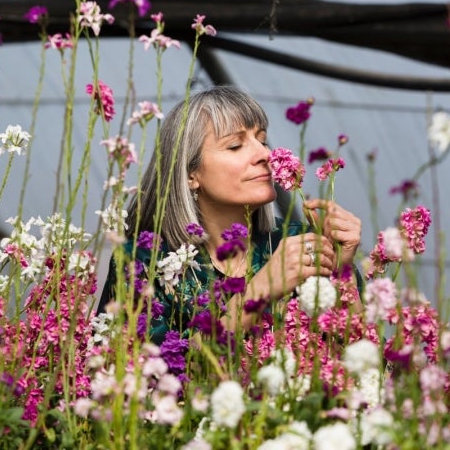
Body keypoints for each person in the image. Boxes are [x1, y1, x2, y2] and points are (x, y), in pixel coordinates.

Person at [99, 86, 362, 344]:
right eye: (235, 145)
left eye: (262, 140)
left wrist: (342, 273)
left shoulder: (302, 244)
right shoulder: (145, 262)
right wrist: (261, 290)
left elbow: (368, 366)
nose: (266, 154)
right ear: (191, 175)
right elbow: (151, 376)